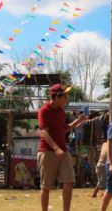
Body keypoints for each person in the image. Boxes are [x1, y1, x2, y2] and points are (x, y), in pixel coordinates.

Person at [37, 83, 86, 211]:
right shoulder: (44, 110)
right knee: (46, 186)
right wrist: (56, 148)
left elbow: (64, 129)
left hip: (63, 151)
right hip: (47, 151)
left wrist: (78, 121)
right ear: (57, 97)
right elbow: (44, 132)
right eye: (65, 96)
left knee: (69, 181)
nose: (66, 98)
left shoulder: (61, 111)